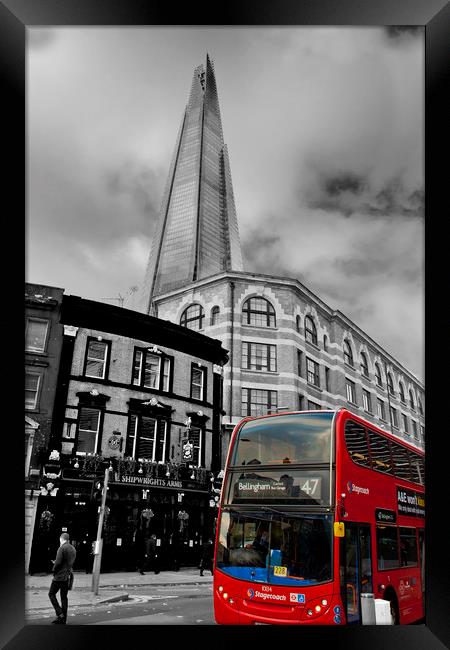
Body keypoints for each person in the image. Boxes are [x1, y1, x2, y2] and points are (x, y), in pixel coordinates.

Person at [48, 532, 76, 625]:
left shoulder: (62, 548)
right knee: (64, 598)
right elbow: (67, 562)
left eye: (60, 539)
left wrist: (54, 569)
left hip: (59, 577)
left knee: (51, 594)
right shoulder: (73, 549)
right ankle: (63, 619)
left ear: (62, 539)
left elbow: (58, 563)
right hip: (67, 577)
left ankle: (59, 613)